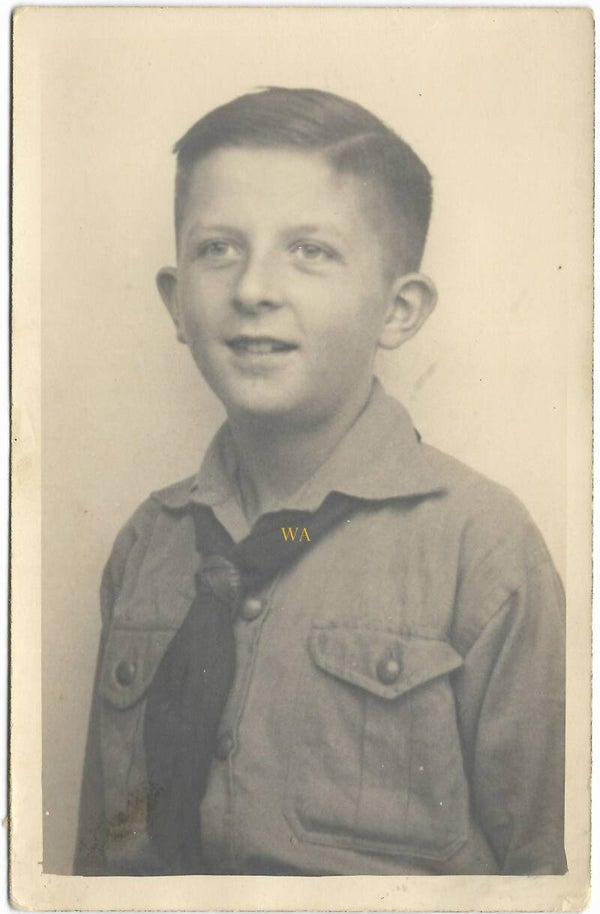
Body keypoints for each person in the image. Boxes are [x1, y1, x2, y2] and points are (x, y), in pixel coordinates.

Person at [74, 87, 566, 877]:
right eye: (218, 249)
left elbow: (546, 876)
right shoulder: (148, 546)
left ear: (399, 311)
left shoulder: (485, 550)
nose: (253, 288)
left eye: (311, 251)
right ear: (175, 302)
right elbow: (98, 862)